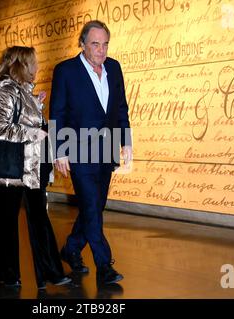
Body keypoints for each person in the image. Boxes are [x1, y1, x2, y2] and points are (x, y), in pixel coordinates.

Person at [0, 46, 71, 289]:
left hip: (31, 167)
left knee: (38, 217)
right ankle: (10, 274)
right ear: (21, 65)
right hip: (13, 169)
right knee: (9, 219)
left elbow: (17, 119)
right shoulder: (6, 89)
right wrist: (31, 132)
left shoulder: (21, 90)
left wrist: (35, 105)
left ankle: (49, 272)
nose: (37, 67)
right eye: (33, 62)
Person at [49, 20, 132, 285]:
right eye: (95, 44)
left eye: (105, 43)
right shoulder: (66, 71)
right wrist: (59, 151)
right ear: (83, 44)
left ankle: (71, 248)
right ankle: (104, 265)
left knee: (94, 207)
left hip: (107, 150)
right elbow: (57, 112)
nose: (101, 50)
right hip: (78, 149)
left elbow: (121, 109)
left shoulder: (114, 68)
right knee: (92, 209)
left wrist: (126, 141)